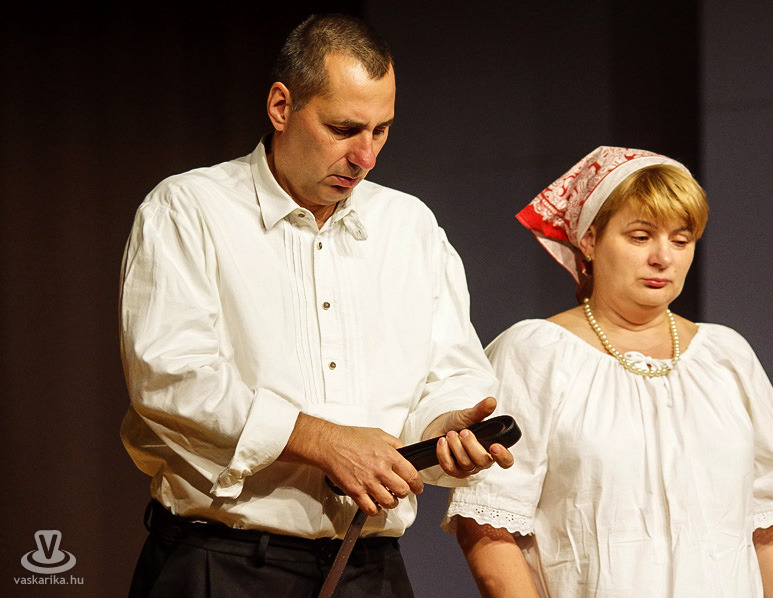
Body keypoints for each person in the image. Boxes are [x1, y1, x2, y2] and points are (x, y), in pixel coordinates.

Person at [119, 14, 513, 598]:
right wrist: (322, 440)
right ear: (281, 106)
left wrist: (443, 429)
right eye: (344, 129)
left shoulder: (409, 225)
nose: (366, 157)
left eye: (381, 130)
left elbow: (450, 369)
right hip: (225, 563)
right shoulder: (189, 209)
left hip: (369, 567)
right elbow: (171, 379)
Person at [442, 146, 773, 597]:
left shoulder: (725, 355)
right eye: (640, 236)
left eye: (681, 240)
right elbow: (488, 523)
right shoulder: (537, 352)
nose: (663, 257)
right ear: (590, 240)